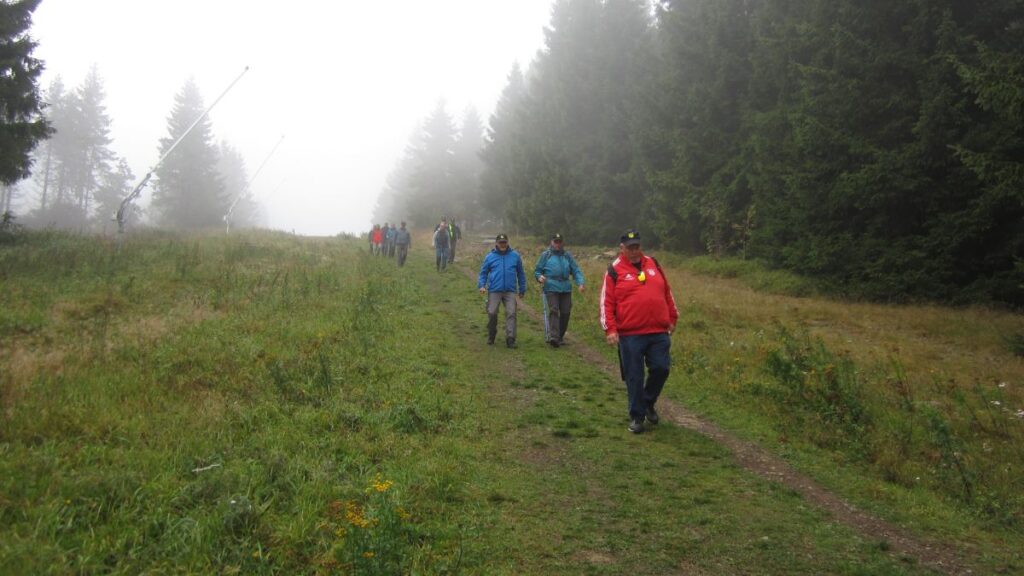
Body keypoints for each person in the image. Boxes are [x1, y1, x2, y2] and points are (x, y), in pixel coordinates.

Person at [600, 230, 678, 434]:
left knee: (662, 368)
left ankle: (648, 401)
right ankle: (637, 416)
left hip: (658, 330)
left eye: (637, 247)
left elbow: (667, 291)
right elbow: (607, 302)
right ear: (622, 248)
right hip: (630, 334)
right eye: (630, 247)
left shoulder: (654, 264)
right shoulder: (614, 270)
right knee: (634, 375)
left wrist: (672, 317)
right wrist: (610, 329)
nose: (635, 251)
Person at [534, 232, 585, 348]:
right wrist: (539, 277)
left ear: (562, 243)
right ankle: (554, 337)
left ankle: (560, 336)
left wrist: (580, 282)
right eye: (555, 242)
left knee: (566, 312)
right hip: (551, 286)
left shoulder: (567, 256)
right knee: (554, 310)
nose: (557, 244)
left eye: (559, 242)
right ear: (551, 242)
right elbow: (537, 270)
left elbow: (576, 270)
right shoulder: (545, 255)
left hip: (566, 288)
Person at [478, 233, 527, 348]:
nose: (503, 245)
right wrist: (482, 285)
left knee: (511, 313)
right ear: (496, 244)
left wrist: (522, 288)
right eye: (500, 243)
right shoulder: (490, 257)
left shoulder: (515, 256)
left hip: (510, 290)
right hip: (494, 290)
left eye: (504, 242)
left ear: (507, 242)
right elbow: (483, 273)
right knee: (492, 312)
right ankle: (492, 333)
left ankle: (510, 339)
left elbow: (521, 274)